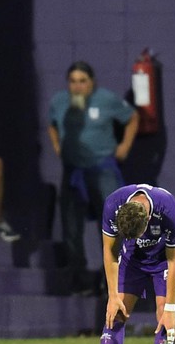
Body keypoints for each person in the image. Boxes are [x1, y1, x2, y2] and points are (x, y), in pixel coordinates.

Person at [48, 61, 140, 295]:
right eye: (73, 82)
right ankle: (79, 279)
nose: (77, 86)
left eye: (82, 81)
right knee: (71, 226)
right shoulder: (60, 102)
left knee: (112, 223)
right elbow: (52, 125)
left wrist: (124, 146)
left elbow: (132, 117)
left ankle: (112, 281)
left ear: (92, 82)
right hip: (73, 171)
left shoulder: (106, 99)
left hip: (102, 168)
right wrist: (58, 146)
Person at [90, 184, 175, 344]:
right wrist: (112, 296)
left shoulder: (169, 208)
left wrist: (171, 309)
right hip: (131, 258)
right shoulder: (113, 204)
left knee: (164, 314)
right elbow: (110, 250)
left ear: (148, 220)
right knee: (116, 312)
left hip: (165, 259)